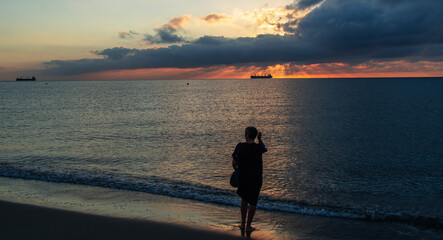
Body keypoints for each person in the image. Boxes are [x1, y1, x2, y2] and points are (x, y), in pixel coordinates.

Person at [232, 127, 267, 232]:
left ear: (247, 135)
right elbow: (263, 147)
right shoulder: (258, 147)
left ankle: (243, 224)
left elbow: (234, 163)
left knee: (244, 199)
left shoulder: (240, 146)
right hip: (256, 178)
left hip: (243, 177)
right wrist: (259, 139)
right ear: (255, 136)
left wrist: (237, 170)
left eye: (245, 134)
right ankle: (248, 225)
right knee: (253, 202)